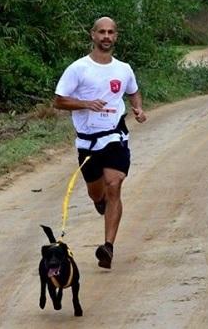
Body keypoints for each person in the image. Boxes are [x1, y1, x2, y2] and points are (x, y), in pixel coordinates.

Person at [53, 17, 147, 269]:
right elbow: (59, 100)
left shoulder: (124, 69)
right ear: (93, 35)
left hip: (115, 136)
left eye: (111, 32)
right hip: (87, 142)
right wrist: (85, 103)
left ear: (116, 36)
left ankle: (108, 247)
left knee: (114, 184)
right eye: (102, 32)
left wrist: (137, 108)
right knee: (97, 191)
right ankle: (99, 201)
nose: (106, 36)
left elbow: (133, 91)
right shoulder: (78, 69)